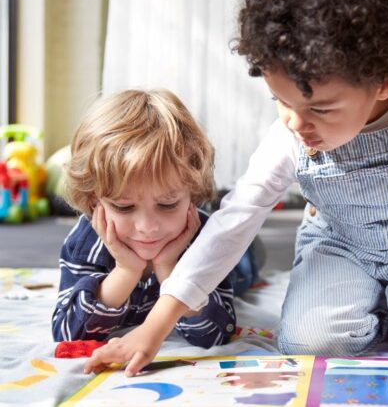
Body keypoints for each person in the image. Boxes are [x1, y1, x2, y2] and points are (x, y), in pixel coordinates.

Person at [85, 0, 388, 376]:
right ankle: (383, 301)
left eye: (320, 109)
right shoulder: (289, 132)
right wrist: (154, 326)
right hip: (341, 246)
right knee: (312, 342)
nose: (296, 123)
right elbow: (236, 219)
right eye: (280, 101)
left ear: (384, 80)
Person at [52, 89, 258, 348]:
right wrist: (126, 271)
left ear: (193, 194)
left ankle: (251, 247)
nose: (147, 227)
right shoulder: (84, 243)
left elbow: (215, 335)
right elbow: (67, 334)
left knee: (245, 265)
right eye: (124, 207)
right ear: (95, 202)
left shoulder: (207, 236)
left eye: (167, 204)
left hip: (234, 262)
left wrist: (169, 269)